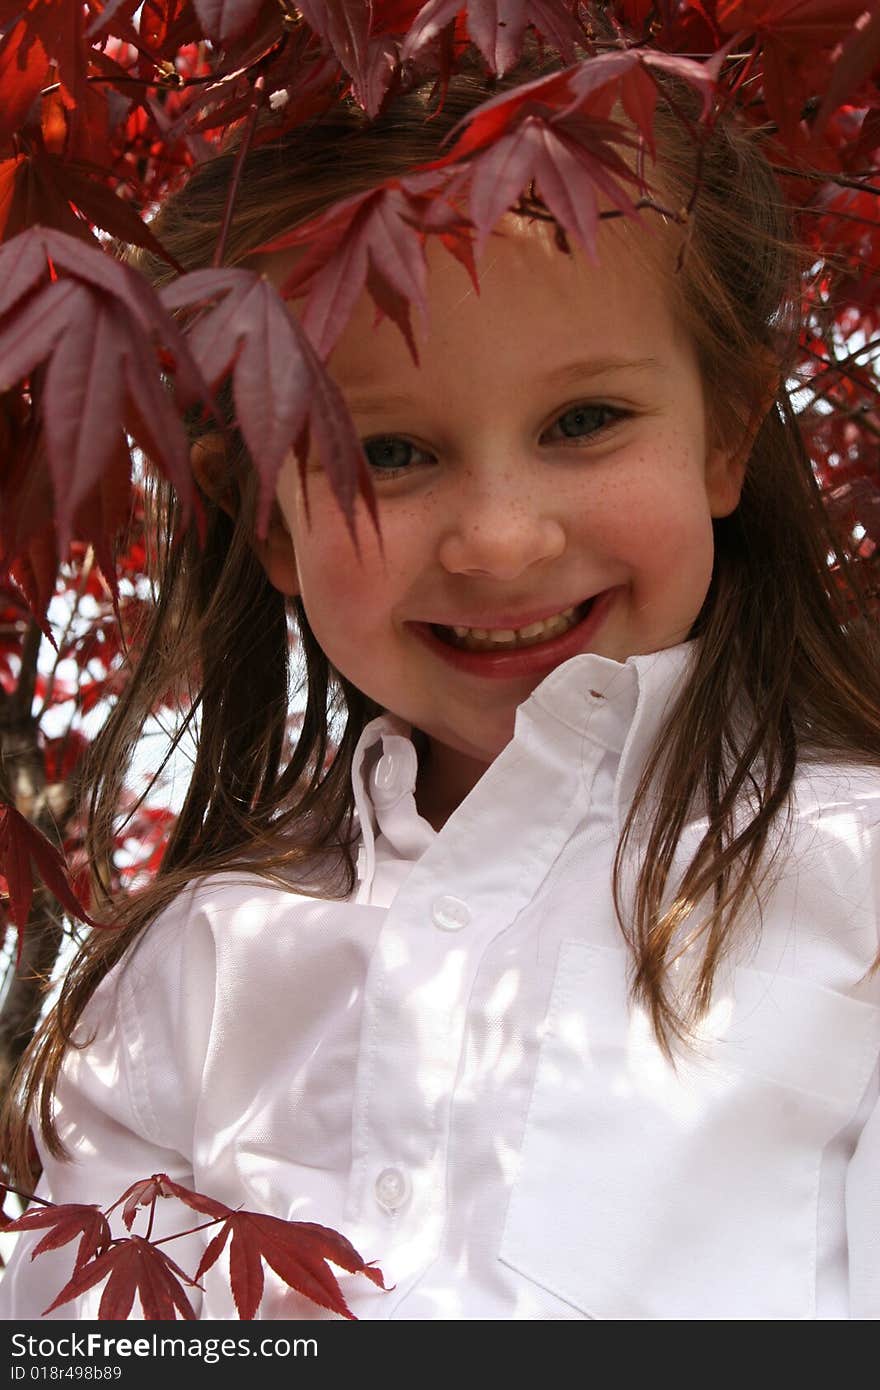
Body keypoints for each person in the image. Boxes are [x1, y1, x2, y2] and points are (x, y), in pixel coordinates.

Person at [2, 38, 880, 1321]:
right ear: (269, 526)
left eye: (583, 422)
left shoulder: (852, 884)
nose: (499, 540)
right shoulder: (191, 971)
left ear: (727, 436)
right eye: (393, 454)